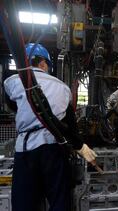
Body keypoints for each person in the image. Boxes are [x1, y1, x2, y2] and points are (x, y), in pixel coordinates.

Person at [3, 43, 97, 211]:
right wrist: (80, 146)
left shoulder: (12, 81)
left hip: (25, 150)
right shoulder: (62, 87)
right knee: (59, 200)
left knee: (24, 202)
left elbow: (13, 106)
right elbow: (71, 126)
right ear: (43, 63)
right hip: (53, 149)